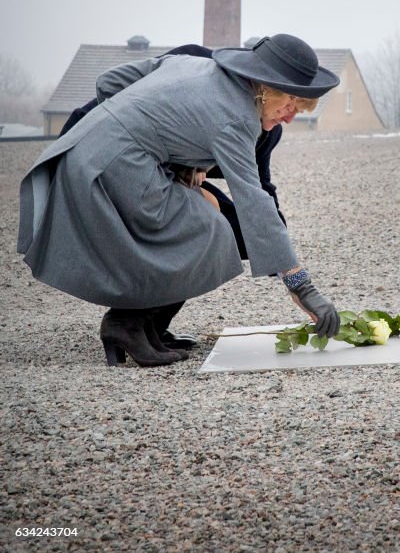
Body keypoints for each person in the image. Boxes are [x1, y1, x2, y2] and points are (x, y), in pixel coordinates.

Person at [17, 34, 342, 366]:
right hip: (119, 169)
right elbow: (253, 201)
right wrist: (302, 288)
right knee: (212, 231)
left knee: (201, 218)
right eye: (290, 105)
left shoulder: (191, 64)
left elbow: (108, 83)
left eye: (297, 111)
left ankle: (145, 328)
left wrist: (149, 136)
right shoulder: (237, 119)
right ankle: (125, 324)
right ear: (265, 88)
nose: (290, 117)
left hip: (84, 154)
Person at [58, 43, 288, 350]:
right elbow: (113, 92)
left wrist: (278, 249)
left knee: (239, 234)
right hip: (112, 162)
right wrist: (174, 161)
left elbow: (258, 188)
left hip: (162, 171)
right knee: (201, 224)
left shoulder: (269, 129)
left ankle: (152, 323)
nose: (288, 114)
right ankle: (127, 321)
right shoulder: (197, 65)